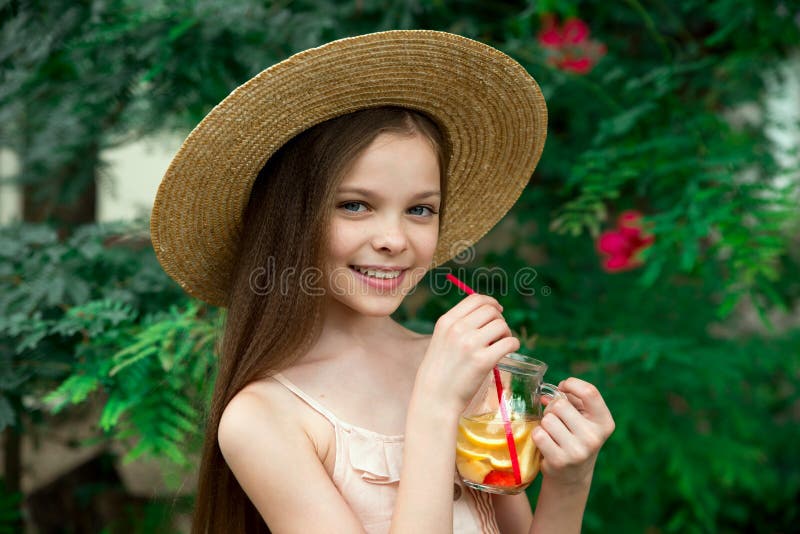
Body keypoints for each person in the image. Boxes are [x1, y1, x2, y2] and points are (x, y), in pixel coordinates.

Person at [150, 30, 615, 534]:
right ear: (292, 219)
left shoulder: (460, 371)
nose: (394, 239)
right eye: (355, 205)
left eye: (420, 209)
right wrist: (435, 406)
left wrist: (570, 482)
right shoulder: (263, 419)